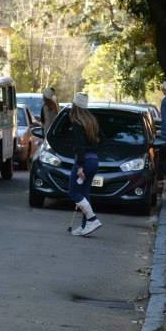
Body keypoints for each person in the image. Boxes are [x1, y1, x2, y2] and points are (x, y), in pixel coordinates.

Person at [69, 92, 103, 236]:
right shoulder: (92, 121)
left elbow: (80, 145)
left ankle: (92, 219)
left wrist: (80, 166)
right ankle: (85, 226)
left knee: (74, 192)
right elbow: (102, 138)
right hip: (94, 160)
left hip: (84, 162)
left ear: (75, 106)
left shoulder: (77, 123)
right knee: (84, 192)